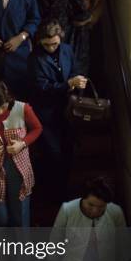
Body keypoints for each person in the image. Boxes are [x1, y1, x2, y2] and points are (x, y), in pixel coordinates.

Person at [28, 18, 87, 195]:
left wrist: (79, 81)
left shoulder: (67, 50)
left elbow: (76, 69)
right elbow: (42, 87)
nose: (51, 48)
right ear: (40, 42)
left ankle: (63, 190)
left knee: (68, 152)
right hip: (46, 113)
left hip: (68, 110)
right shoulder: (34, 58)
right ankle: (49, 192)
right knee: (52, 154)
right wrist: (68, 83)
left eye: (54, 44)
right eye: (47, 45)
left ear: (60, 38)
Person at [0, 77, 42, 227]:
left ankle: (21, 245)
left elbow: (37, 129)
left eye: (2, 106)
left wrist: (22, 144)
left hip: (18, 164)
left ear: (8, 98)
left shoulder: (22, 108)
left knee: (20, 208)